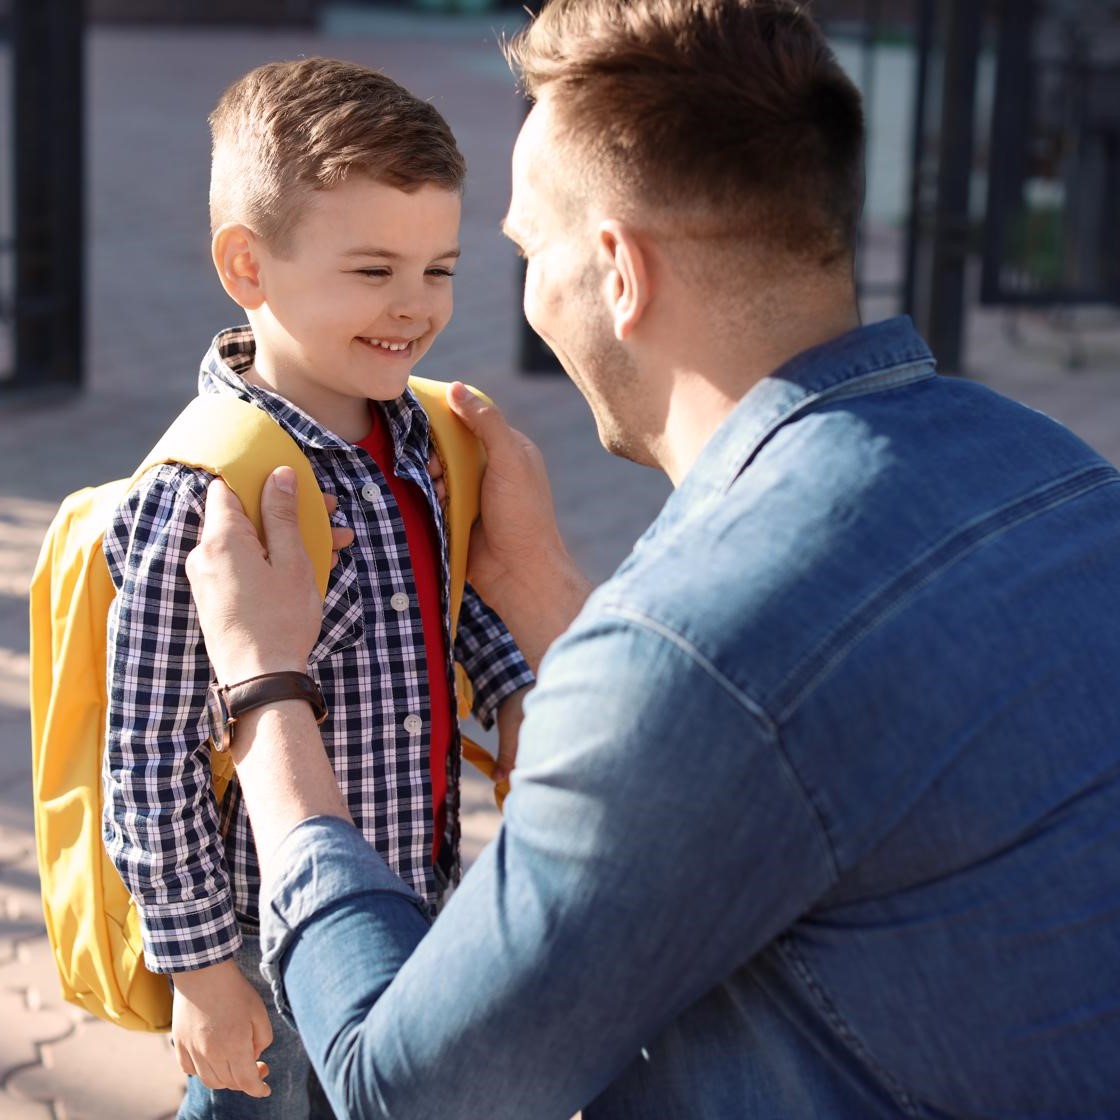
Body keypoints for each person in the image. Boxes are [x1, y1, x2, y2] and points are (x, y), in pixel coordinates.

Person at [187, 2, 1120, 1117]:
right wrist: (539, 595)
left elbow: (408, 1089)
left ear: (618, 271)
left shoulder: (689, 654)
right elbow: (769, 747)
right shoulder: (1057, 470)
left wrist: (266, 690)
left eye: (527, 252)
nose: (517, 294)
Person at [102, 57, 533, 1118]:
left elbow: (441, 600)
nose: (414, 309)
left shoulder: (420, 434)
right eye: (373, 270)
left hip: (407, 903)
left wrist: (515, 684)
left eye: (438, 270)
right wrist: (200, 970)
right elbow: (147, 749)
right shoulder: (205, 488)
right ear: (248, 264)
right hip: (263, 943)